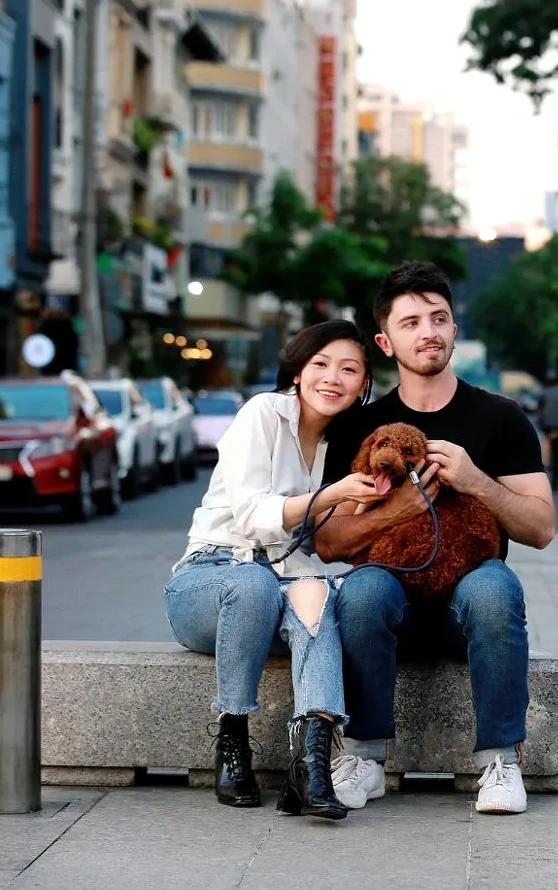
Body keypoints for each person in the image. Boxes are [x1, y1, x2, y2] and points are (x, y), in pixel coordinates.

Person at [316, 261, 555, 815]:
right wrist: (395, 510)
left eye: (439, 318)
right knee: (360, 591)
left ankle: (500, 762)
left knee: (496, 589)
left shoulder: (501, 418)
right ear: (385, 340)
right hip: (390, 601)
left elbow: (541, 529)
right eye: (411, 322)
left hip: (468, 598)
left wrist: (476, 483)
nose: (428, 331)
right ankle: (364, 755)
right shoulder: (359, 426)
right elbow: (329, 544)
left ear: (454, 329)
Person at [164, 320, 386, 820]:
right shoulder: (263, 413)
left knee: (316, 599)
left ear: (363, 382)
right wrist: (332, 496)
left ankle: (310, 769)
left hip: (282, 581)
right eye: (321, 365)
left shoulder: (342, 443)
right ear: (298, 369)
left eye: (349, 369)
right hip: (210, 578)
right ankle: (232, 741)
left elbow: (323, 548)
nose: (333, 378)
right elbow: (250, 516)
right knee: (253, 585)